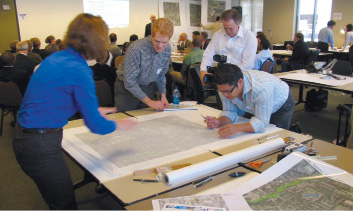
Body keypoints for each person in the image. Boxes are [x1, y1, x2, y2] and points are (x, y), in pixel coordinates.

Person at [12, 13, 138, 210]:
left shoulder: (57, 58)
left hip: (26, 137)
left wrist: (93, 109)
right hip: (39, 144)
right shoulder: (79, 70)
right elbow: (96, 126)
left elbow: (53, 96)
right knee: (64, 204)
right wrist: (120, 124)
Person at [203, 63, 295, 138]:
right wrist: (218, 121)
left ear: (240, 82)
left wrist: (238, 128)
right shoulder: (225, 87)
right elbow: (229, 111)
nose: (225, 95)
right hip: (254, 103)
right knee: (251, 133)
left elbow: (262, 122)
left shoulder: (261, 89)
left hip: (281, 103)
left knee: (276, 136)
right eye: (221, 91)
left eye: (228, 91)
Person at [114, 18, 174, 112]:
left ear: (169, 39)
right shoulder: (136, 49)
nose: (160, 46)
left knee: (148, 120)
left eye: (164, 42)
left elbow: (161, 75)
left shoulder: (167, 50)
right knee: (125, 120)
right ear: (151, 36)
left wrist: (163, 95)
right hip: (127, 91)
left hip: (147, 87)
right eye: (157, 41)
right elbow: (130, 82)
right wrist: (149, 102)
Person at [200, 9, 257, 85]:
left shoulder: (249, 37)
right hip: (221, 79)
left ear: (238, 24)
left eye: (231, 28)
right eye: (225, 28)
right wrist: (203, 71)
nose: (228, 31)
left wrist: (228, 77)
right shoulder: (218, 35)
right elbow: (208, 54)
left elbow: (247, 64)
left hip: (241, 79)